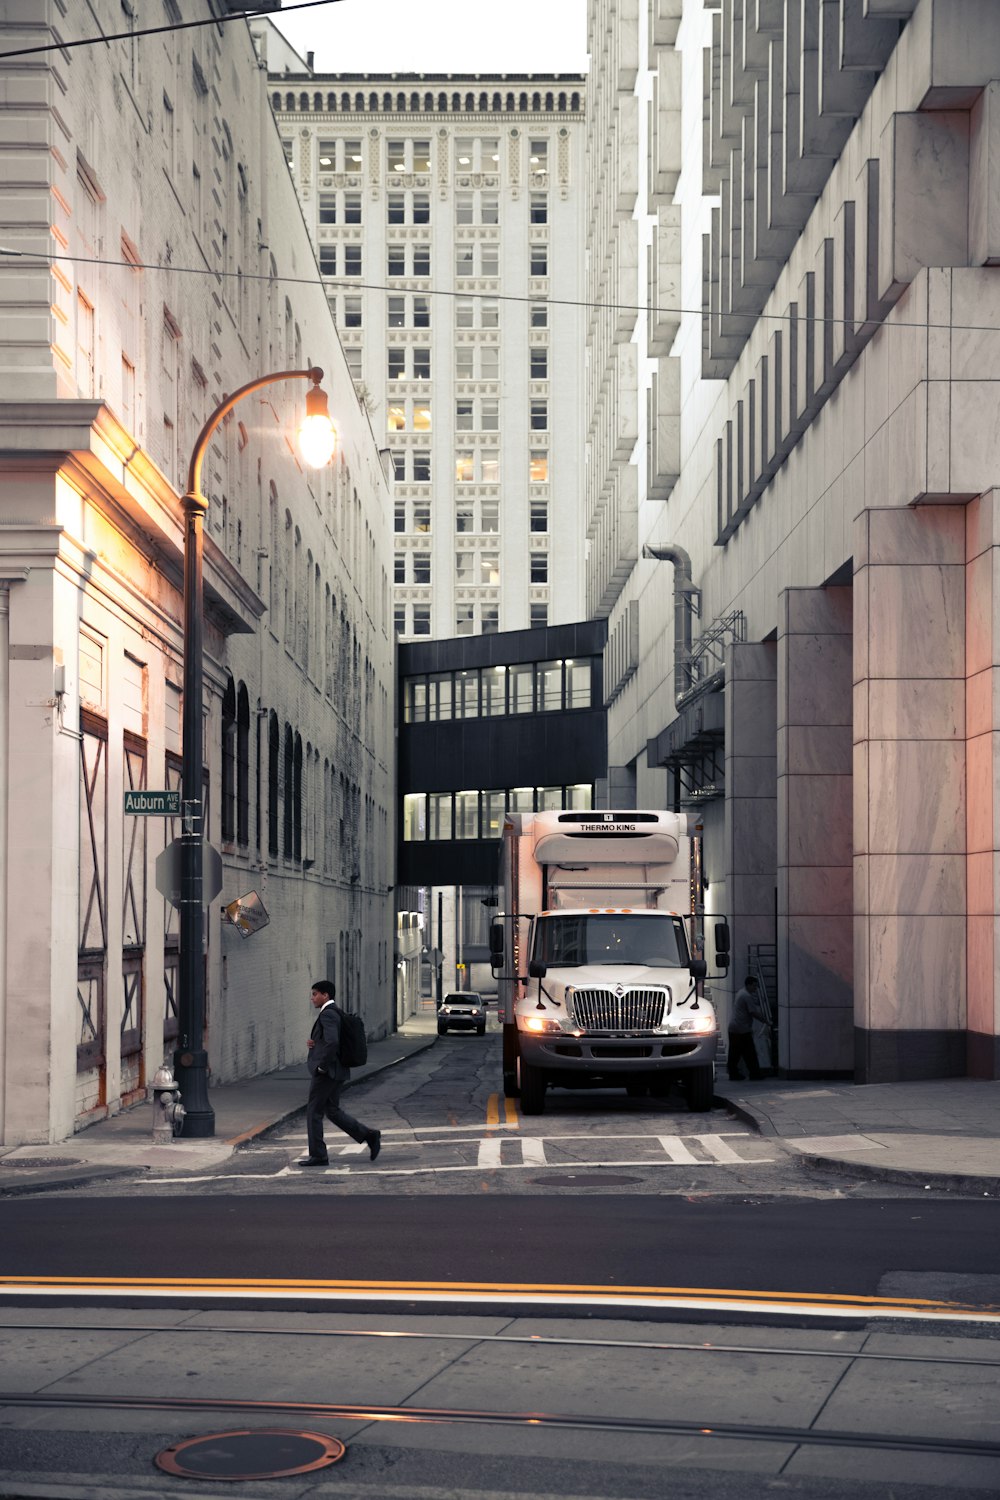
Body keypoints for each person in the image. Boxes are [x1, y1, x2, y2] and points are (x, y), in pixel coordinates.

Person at [297, 980, 382, 1166]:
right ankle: (369, 1135)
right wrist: (315, 1043)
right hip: (338, 1071)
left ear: (325, 995)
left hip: (328, 1072)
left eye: (315, 994)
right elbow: (332, 1040)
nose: (312, 998)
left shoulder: (328, 1014)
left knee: (313, 1111)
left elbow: (333, 1042)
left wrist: (322, 1067)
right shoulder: (336, 1012)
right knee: (332, 1110)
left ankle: (319, 1155)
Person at [727, 975, 765, 1082]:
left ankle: (734, 1074)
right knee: (749, 1053)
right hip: (741, 1029)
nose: (755, 988)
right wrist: (765, 1021)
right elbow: (753, 1012)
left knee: (735, 1053)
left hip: (735, 1027)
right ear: (748, 985)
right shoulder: (746, 996)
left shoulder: (741, 993)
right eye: (754, 986)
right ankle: (754, 1074)